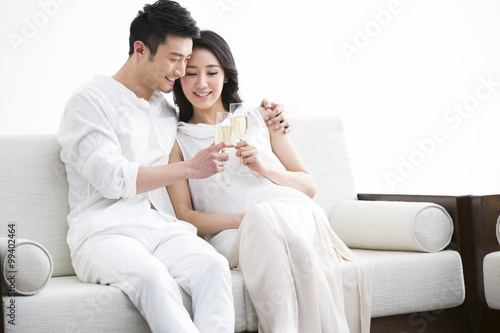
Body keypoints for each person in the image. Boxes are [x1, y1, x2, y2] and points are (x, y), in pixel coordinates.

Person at [57, 2, 287, 333]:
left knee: (212, 266)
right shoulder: (90, 101)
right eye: (175, 58)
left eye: (185, 59)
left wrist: (268, 113)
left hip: (159, 228)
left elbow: (214, 112)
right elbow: (112, 179)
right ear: (141, 49)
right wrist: (189, 169)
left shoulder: (163, 111)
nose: (181, 71)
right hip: (103, 233)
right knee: (153, 278)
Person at [168, 30, 374, 333]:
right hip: (237, 236)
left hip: (295, 215)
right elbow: (186, 217)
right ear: (178, 79)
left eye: (211, 72)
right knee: (265, 220)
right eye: (190, 73)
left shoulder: (261, 117)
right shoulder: (177, 139)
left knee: (272, 221)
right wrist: (247, 219)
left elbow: (308, 186)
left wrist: (263, 169)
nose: (201, 83)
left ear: (226, 76)